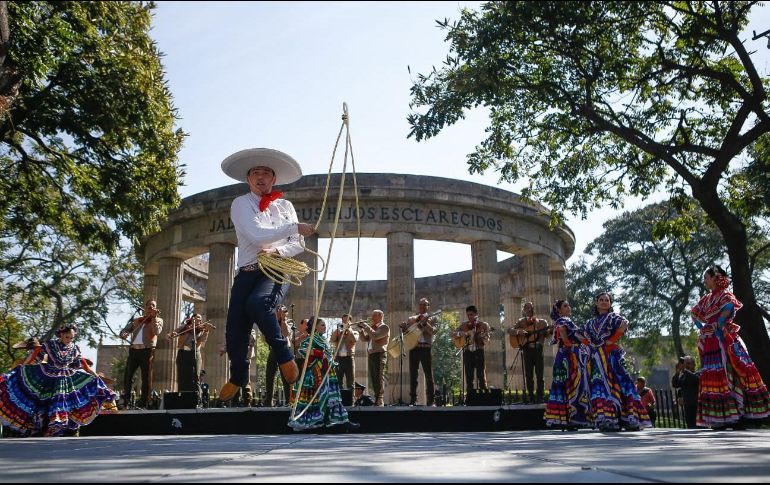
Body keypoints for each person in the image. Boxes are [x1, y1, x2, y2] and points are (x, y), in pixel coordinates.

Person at [219, 148, 316, 402]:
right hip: (247, 271)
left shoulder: (285, 206)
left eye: (266, 173)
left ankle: (284, 353)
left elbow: (298, 244)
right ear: (248, 178)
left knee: (259, 304)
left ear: (274, 178)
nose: (260, 177)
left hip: (276, 269)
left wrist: (278, 250)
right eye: (255, 173)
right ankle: (238, 376)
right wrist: (295, 227)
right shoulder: (241, 203)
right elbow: (257, 235)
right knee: (235, 332)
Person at [691, 266, 770, 429]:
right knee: (715, 375)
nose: (705, 280)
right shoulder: (706, 298)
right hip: (712, 340)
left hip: (724, 339)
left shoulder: (725, 295)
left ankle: (738, 416)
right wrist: (703, 327)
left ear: (715, 277)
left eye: (707, 277)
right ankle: (721, 418)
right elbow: (693, 313)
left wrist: (719, 324)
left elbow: (729, 308)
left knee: (730, 372)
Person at [0, 325, 116, 436]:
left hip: (65, 379)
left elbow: (84, 365)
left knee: (61, 401)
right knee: (41, 401)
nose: (69, 339)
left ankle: (54, 427)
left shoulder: (75, 348)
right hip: (48, 376)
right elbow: (36, 356)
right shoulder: (49, 345)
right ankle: (42, 427)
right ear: (61, 334)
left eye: (72, 337)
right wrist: (23, 367)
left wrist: (97, 377)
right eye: (67, 337)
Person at [582, 292, 651, 431]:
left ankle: (628, 418)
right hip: (597, 358)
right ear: (596, 303)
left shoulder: (613, 317)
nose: (603, 302)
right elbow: (580, 334)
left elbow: (625, 324)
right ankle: (606, 418)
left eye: (606, 300)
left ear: (610, 303)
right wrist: (590, 345)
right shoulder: (590, 323)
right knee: (600, 386)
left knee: (621, 384)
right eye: (601, 300)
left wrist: (611, 341)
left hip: (612, 357)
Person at [288, 317, 359, 432]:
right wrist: (319, 354)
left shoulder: (323, 339)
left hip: (328, 372)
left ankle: (341, 421)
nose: (325, 327)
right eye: (322, 325)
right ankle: (317, 422)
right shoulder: (311, 339)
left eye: (325, 325)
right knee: (318, 396)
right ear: (315, 327)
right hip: (316, 373)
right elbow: (303, 349)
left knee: (332, 397)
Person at [544, 299, 590, 430]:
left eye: (568, 305)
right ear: (558, 310)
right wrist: (580, 345)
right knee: (572, 384)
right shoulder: (563, 321)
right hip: (568, 356)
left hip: (563, 354)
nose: (568, 307)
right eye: (565, 306)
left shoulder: (563, 321)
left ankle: (567, 418)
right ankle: (573, 417)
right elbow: (564, 337)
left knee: (566, 385)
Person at [119, 299, 163, 408]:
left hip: (147, 350)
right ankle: (126, 401)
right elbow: (125, 330)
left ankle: (144, 402)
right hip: (134, 350)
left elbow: (156, 331)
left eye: (153, 305)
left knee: (146, 377)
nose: (151, 307)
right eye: (149, 305)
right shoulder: (137, 320)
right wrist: (123, 333)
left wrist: (153, 318)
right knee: (128, 376)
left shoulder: (159, 320)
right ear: (145, 307)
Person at [509, 301, 551, 403]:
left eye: (531, 307)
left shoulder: (542, 322)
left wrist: (548, 331)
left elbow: (547, 335)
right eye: (527, 308)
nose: (529, 309)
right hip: (527, 349)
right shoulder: (521, 322)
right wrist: (519, 332)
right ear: (524, 310)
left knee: (540, 375)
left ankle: (540, 397)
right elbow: (510, 330)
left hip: (538, 349)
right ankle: (531, 397)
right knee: (528, 375)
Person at [401, 298, 438, 406]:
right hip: (414, 348)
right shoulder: (412, 318)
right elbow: (407, 333)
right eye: (420, 304)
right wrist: (404, 328)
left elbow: (433, 332)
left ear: (428, 306)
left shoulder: (433, 318)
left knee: (429, 375)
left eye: (425, 305)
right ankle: (413, 400)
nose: (422, 306)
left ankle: (431, 401)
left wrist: (425, 323)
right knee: (413, 375)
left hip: (426, 348)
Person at [168, 313, 210, 394]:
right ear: (192, 318)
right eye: (198, 317)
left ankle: (197, 397)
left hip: (195, 353)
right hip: (183, 353)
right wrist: (172, 334)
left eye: (201, 319)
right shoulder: (184, 327)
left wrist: (206, 331)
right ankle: (182, 395)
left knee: (196, 376)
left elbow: (203, 340)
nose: (200, 320)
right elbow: (171, 334)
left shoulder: (201, 329)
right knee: (182, 375)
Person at [453, 305, 491, 392]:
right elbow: (453, 334)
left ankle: (484, 397)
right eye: (468, 315)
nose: (469, 317)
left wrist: (482, 337)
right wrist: (461, 334)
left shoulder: (483, 325)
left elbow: (487, 340)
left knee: (481, 375)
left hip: (479, 351)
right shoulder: (464, 325)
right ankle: (470, 398)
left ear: (476, 314)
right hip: (468, 352)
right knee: (469, 377)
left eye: (471, 314)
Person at [358, 309, 389, 406]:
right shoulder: (372, 327)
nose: (372, 318)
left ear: (380, 316)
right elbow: (364, 339)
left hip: (379, 354)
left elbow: (376, 336)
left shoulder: (384, 327)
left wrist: (366, 326)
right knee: (373, 377)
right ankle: (377, 398)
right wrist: (361, 330)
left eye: (374, 315)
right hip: (371, 354)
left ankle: (379, 399)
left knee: (379, 377)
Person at [264, 305, 293, 406]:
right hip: (274, 349)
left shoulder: (289, 323)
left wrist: (283, 320)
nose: (280, 312)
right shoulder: (272, 322)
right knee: (269, 374)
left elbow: (286, 334)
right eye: (278, 311)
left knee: (285, 376)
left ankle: (289, 401)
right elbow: (266, 336)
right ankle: (269, 400)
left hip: (285, 349)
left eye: (282, 311)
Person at [330, 313, 358, 390]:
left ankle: (351, 401)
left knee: (350, 382)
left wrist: (348, 329)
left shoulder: (354, 332)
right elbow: (332, 340)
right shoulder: (338, 331)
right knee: (338, 381)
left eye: (346, 321)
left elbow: (354, 340)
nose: (344, 322)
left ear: (350, 322)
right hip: (339, 358)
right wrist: (338, 330)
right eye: (343, 321)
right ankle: (339, 400)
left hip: (349, 358)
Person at [671, 355, 700, 428]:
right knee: (691, 427)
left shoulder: (698, 374)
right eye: (685, 364)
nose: (686, 366)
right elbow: (675, 384)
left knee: (700, 428)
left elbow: (695, 380)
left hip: (698, 406)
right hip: (687, 407)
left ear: (694, 364)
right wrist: (677, 372)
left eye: (688, 363)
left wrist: (684, 370)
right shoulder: (683, 376)